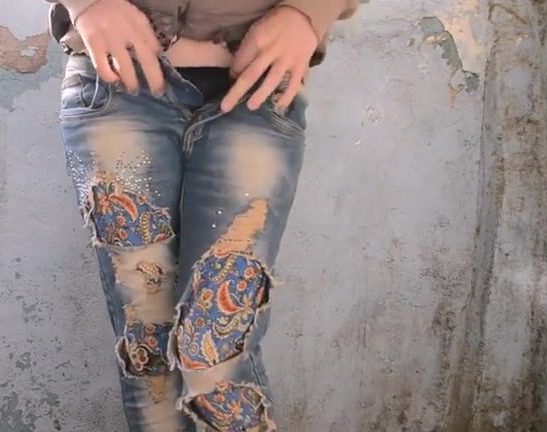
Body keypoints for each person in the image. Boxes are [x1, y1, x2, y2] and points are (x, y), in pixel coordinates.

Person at [46, 0, 358, 430]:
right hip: (113, 79)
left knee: (215, 352)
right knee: (148, 351)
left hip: (258, 86)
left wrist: (310, 12)